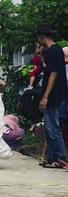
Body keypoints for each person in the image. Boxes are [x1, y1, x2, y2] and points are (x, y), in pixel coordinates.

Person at [37, 25, 68, 169]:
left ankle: (59, 157)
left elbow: (53, 74)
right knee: (50, 127)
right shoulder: (58, 51)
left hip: (52, 95)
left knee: (53, 127)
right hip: (57, 94)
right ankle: (51, 158)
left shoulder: (52, 52)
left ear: (42, 37)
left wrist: (45, 96)